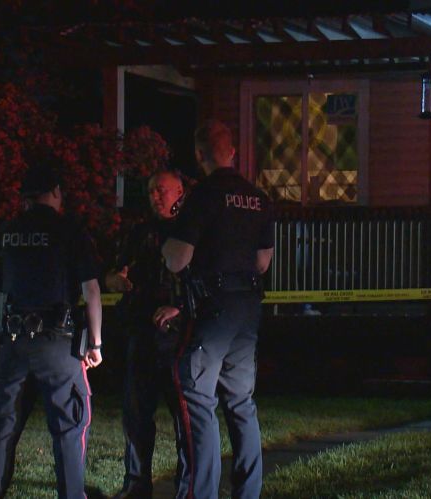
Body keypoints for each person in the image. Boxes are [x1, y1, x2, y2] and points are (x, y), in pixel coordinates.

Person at [161, 120, 274, 499]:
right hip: (248, 310)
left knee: (196, 397)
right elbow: (262, 262)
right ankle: (248, 492)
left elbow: (178, 259)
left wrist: (167, 249)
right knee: (241, 402)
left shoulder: (203, 196)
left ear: (199, 154)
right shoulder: (258, 198)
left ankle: (201, 493)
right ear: (233, 152)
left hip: (213, 310)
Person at [0, 163, 103, 498]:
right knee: (69, 427)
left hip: (11, 342)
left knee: (2, 429)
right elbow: (91, 290)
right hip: (57, 343)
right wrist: (95, 343)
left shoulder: (6, 231)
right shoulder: (70, 230)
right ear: (57, 192)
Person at [106, 171, 185, 499]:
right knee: (136, 413)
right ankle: (137, 485)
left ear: (179, 192)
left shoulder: (190, 230)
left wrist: (179, 308)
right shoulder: (138, 233)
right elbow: (113, 271)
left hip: (179, 337)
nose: (155, 196)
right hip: (141, 331)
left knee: (185, 416)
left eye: (162, 190)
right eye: (152, 190)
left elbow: (203, 281)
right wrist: (114, 280)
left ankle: (188, 486)